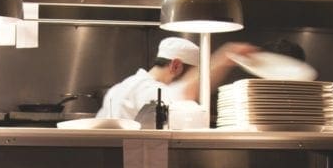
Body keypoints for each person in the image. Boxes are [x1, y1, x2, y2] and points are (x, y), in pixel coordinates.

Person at [96, 36, 258, 121]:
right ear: (175, 66)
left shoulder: (119, 88)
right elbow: (184, 93)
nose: (198, 82)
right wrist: (225, 56)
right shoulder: (148, 90)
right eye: (195, 75)